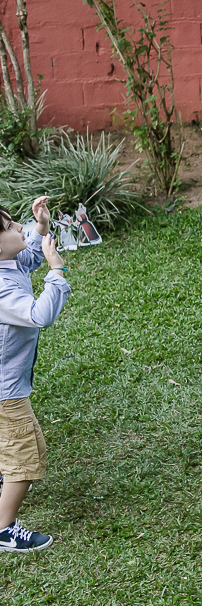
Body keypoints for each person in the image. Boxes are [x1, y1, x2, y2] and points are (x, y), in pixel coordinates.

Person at [0, 198, 70, 552]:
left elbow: (24, 258)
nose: (19, 228)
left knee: (10, 444)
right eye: (10, 227)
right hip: (6, 391)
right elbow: (39, 314)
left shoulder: (6, 262)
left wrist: (40, 226)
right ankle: (3, 528)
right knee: (28, 455)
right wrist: (56, 271)